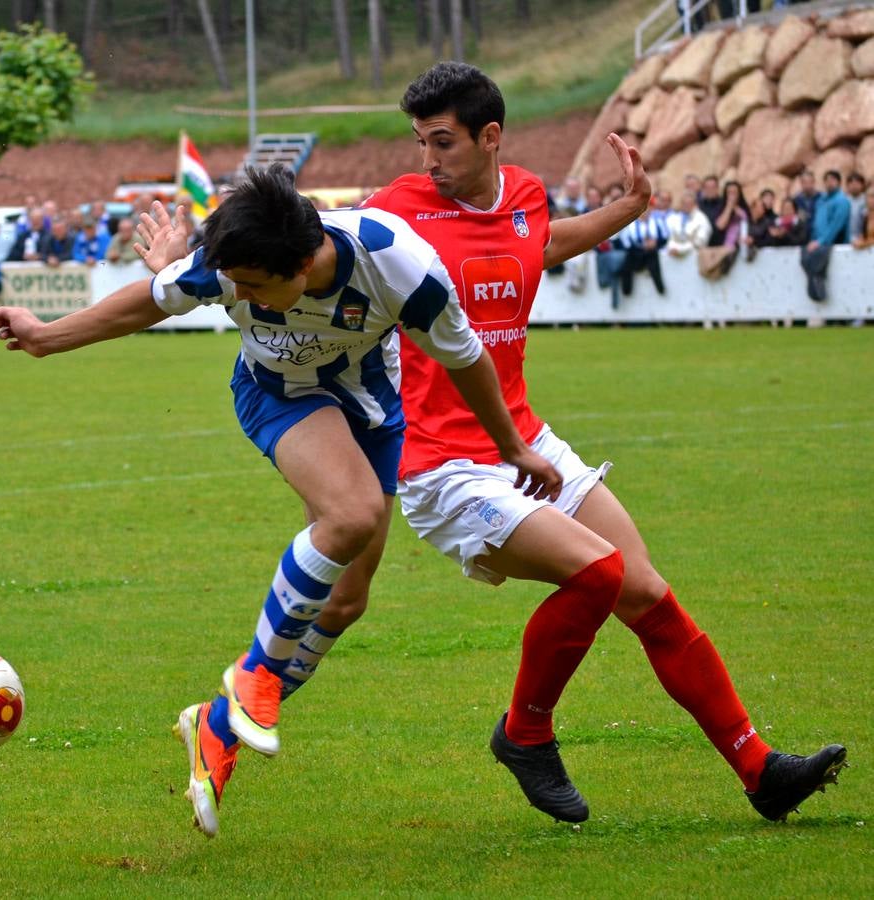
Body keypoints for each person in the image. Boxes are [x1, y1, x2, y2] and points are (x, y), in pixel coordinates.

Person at [156, 62, 846, 831]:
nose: (427, 160)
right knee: (593, 576)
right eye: (419, 142)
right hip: (438, 460)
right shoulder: (395, 214)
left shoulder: (521, 195)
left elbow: (538, 246)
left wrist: (626, 208)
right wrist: (178, 262)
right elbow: (281, 230)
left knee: (644, 592)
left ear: (489, 138)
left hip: (520, 438)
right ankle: (523, 733)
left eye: (441, 142)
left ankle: (759, 770)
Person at [0, 163, 562, 839]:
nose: (249, 299)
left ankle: (216, 726)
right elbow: (149, 298)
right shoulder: (228, 266)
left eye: (259, 288)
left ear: (302, 261)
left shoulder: (397, 264)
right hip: (277, 396)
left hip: (373, 411)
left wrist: (512, 447)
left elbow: (465, 359)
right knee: (350, 516)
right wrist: (47, 336)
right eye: (240, 287)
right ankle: (252, 680)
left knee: (346, 600)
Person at [800, 170, 851, 302]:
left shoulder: (842, 200)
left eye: (833, 179)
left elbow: (835, 225)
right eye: (827, 180)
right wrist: (814, 240)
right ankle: (815, 284)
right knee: (804, 257)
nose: (829, 182)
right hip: (816, 241)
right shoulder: (821, 200)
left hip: (833, 243)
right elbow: (816, 223)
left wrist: (821, 241)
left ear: (839, 182)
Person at [665, 189, 712, 257]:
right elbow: (670, 237)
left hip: (695, 257)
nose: (685, 206)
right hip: (674, 256)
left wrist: (680, 250)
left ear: (695, 204)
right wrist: (672, 247)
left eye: (689, 204)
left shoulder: (702, 219)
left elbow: (700, 242)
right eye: (683, 203)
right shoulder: (675, 218)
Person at [844, 173, 867, 242]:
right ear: (847, 186)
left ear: (862, 185)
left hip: (862, 239)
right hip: (846, 239)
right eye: (851, 183)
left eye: (857, 183)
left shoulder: (867, 200)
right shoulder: (844, 200)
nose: (854, 186)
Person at [852, 184, 874, 250]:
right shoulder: (865, 216)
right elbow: (865, 235)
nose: (871, 200)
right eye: (869, 197)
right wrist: (860, 239)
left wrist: (864, 244)